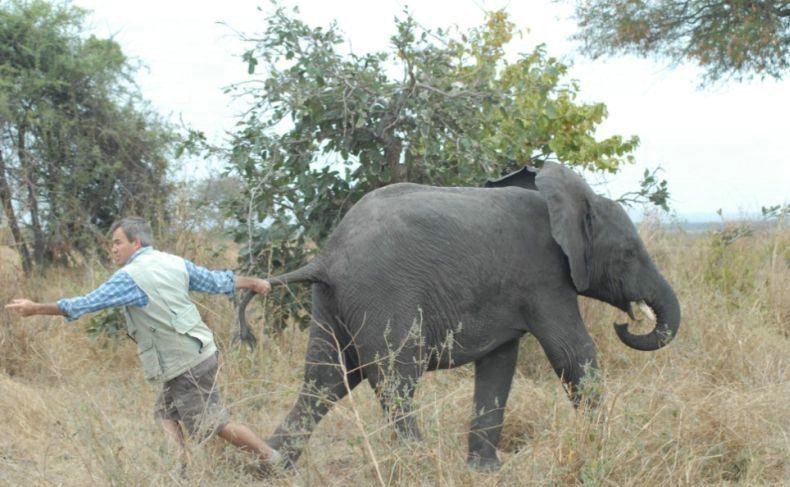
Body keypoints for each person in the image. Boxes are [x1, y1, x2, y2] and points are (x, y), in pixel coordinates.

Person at [4, 216, 280, 476]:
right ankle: (179, 470)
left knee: (214, 424)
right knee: (165, 412)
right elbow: (215, 281)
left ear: (136, 243)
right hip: (198, 352)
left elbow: (84, 304)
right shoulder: (172, 261)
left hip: (185, 363)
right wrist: (253, 282)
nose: (113, 249)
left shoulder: (131, 276)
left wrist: (36, 308)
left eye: (117, 242)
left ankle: (272, 459)